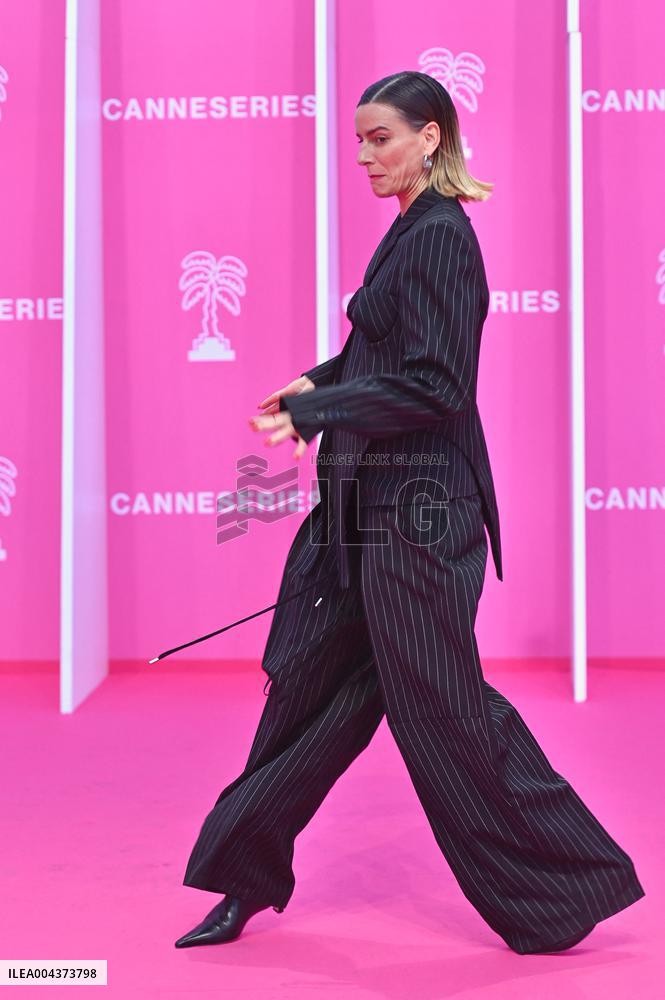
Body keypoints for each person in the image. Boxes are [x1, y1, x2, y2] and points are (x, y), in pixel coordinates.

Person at [175, 71, 644, 953]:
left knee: (443, 711)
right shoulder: (409, 233)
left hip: (419, 521)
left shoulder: (439, 238)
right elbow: (379, 350)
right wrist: (317, 381)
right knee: (307, 699)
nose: (364, 155)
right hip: (369, 509)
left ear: (430, 138)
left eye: (380, 138)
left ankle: (564, 888)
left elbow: (434, 384)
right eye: (357, 140)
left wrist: (317, 413)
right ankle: (240, 879)